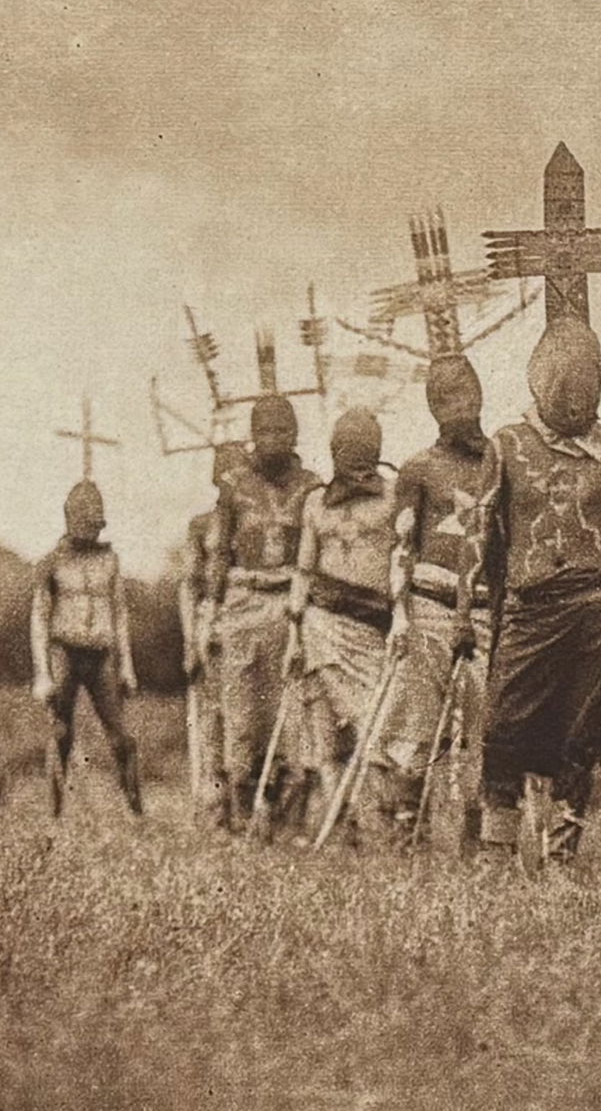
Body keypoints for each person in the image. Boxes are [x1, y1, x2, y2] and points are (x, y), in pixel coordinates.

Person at [455, 316, 601, 864]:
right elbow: (477, 531)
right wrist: (462, 610)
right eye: (562, 395)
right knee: (503, 728)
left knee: (579, 737)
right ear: (536, 386)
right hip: (529, 610)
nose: (574, 409)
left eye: (586, 394)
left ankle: (562, 859)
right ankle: (497, 856)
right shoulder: (508, 444)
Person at [380, 355, 494, 848]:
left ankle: (475, 838)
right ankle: (409, 832)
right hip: (426, 608)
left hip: (486, 611)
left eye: (468, 396)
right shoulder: (418, 469)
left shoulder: (500, 462)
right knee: (415, 726)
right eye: (448, 400)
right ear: (432, 407)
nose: (460, 408)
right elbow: (402, 546)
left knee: (484, 729)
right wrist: (399, 615)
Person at [200, 396, 321, 831]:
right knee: (242, 719)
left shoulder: (311, 485)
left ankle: (287, 821)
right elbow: (218, 553)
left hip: (292, 606)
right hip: (242, 605)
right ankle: (241, 815)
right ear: (252, 436)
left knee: (291, 721)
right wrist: (211, 612)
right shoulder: (232, 486)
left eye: (283, 431)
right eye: (265, 431)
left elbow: (317, 553)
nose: (274, 440)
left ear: (295, 436)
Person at [284, 408, 396, 840]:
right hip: (320, 624)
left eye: (365, 446)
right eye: (347, 447)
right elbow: (304, 570)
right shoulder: (316, 502)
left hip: (372, 628)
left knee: (375, 724)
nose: (356, 455)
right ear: (334, 451)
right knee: (324, 730)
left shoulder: (392, 496)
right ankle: (340, 823)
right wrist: (294, 635)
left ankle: (382, 822)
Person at [31, 479, 143, 817]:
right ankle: (53, 814)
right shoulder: (50, 563)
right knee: (61, 733)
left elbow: (119, 612)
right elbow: (38, 618)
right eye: (84, 521)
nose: (90, 529)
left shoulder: (110, 561)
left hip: (101, 655)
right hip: (64, 651)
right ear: (69, 519)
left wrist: (127, 666)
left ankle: (136, 812)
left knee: (122, 738)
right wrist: (42, 674)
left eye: (95, 523)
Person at [178, 442, 249, 828]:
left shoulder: (256, 523)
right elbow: (189, 585)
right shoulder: (202, 525)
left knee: (246, 718)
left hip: (249, 622)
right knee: (213, 720)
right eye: (225, 474)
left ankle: (248, 809)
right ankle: (215, 811)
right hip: (212, 627)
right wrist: (191, 641)